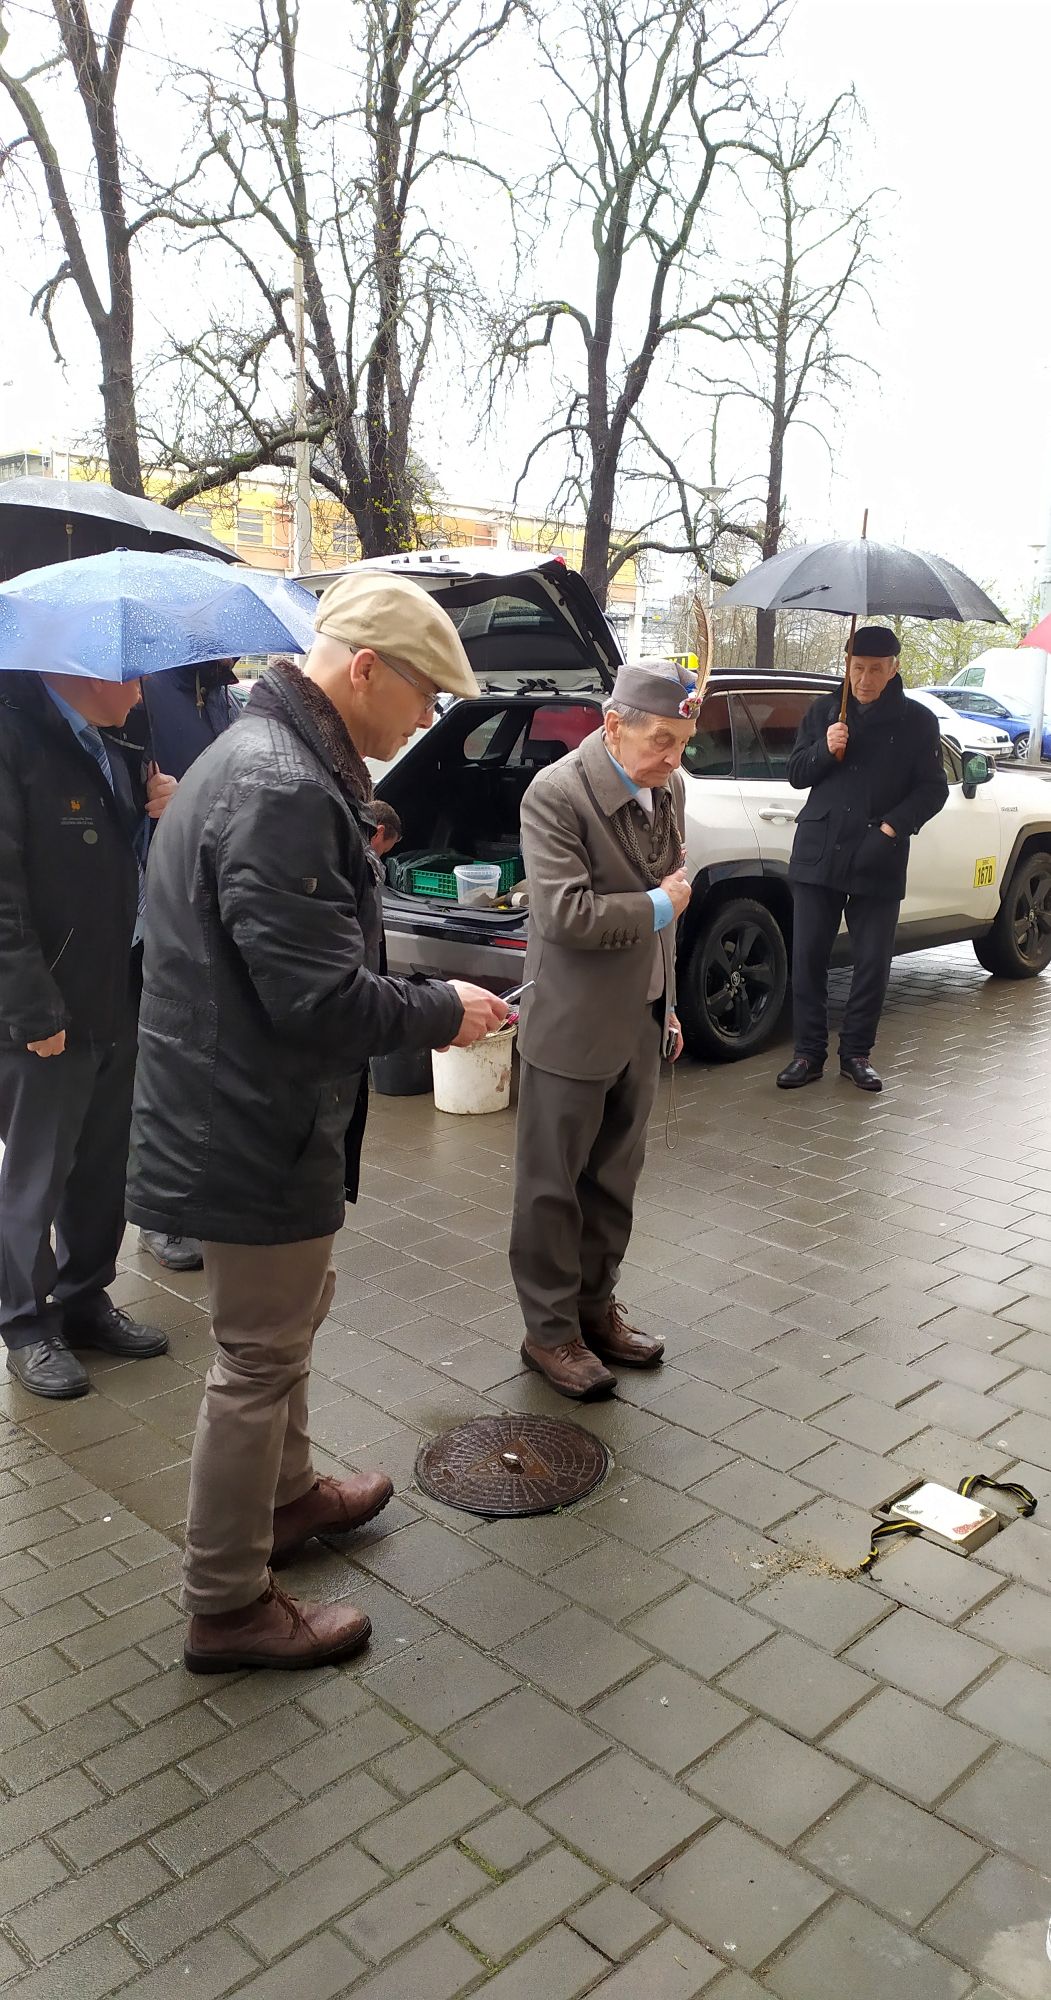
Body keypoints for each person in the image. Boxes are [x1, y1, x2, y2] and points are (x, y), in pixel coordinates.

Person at [125, 570, 508, 1673]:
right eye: (424, 694)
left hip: (251, 1110)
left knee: (284, 1328)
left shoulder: (266, 763)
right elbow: (318, 1001)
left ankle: (287, 1500)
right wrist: (444, 1009)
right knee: (255, 1358)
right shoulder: (280, 784)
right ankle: (227, 1602)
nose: (426, 720)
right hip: (249, 1124)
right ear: (365, 669)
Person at [509, 659, 696, 1401]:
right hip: (572, 1026)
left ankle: (595, 1310)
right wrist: (658, 905)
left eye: (683, 742)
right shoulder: (556, 793)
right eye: (660, 741)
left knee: (614, 1180)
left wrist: (667, 1000)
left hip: (640, 1018)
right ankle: (549, 1333)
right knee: (552, 1188)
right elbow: (564, 914)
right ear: (613, 725)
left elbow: (668, 898)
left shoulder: (668, 786)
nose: (673, 759)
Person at [0, 670, 173, 1400]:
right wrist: (32, 1009)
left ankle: (84, 1299)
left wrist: (160, 811)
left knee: (103, 1164)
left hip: (117, 988)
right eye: (131, 677)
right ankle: (24, 1325)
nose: (141, 690)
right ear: (83, 671)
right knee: (36, 1175)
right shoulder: (15, 739)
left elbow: (119, 863)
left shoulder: (120, 745)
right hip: (46, 1011)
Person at [776, 626, 949, 1094]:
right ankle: (807, 1054)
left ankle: (856, 1053)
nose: (865, 679)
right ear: (847, 666)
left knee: (872, 962)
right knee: (808, 957)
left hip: (879, 852)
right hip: (820, 849)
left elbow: (933, 789)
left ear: (894, 668)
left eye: (875, 669)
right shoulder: (824, 712)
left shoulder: (917, 721)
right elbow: (796, 774)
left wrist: (892, 827)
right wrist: (825, 749)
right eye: (857, 668)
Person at [120, 662, 241, 1274]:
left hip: (219, 890)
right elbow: (121, 795)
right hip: (158, 902)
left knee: (206, 1060)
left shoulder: (225, 698)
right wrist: (153, 803)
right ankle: (159, 1216)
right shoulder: (143, 694)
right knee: (161, 1063)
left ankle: (197, 1201)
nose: (237, 656)